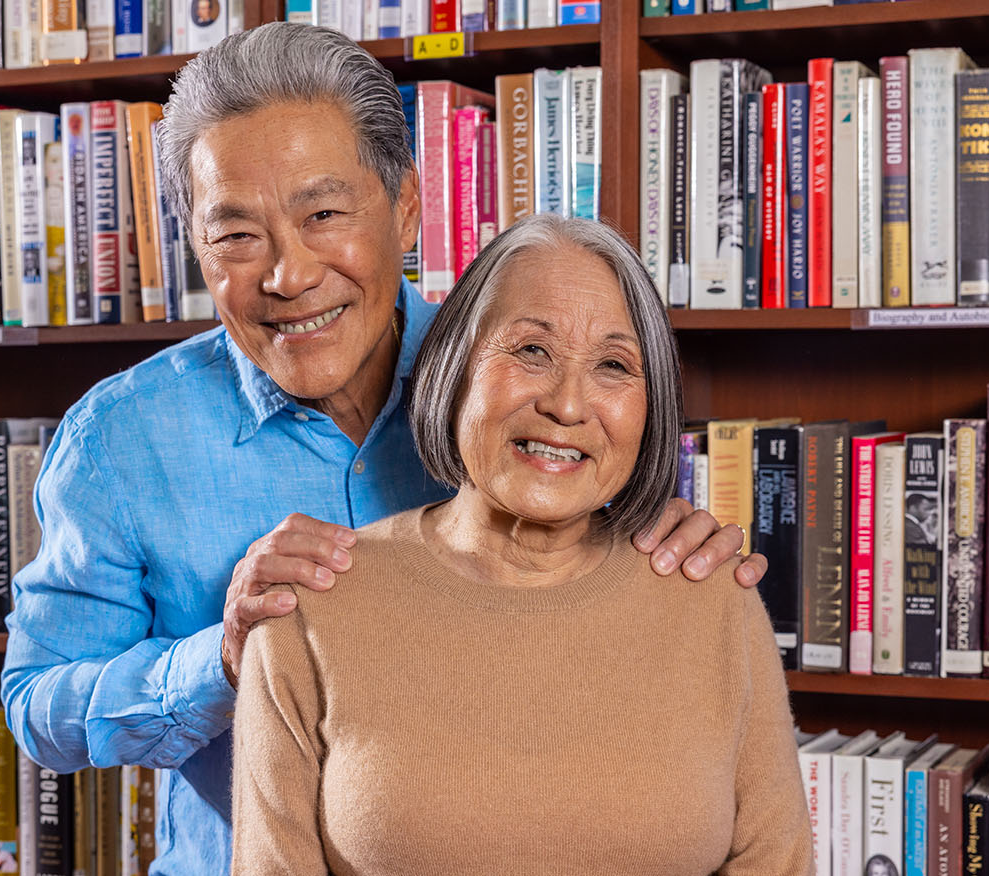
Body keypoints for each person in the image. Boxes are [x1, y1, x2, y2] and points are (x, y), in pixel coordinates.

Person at [2, 23, 765, 874]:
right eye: (237, 235)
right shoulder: (120, 440)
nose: (289, 276)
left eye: (323, 214)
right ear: (196, 247)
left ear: (405, 206)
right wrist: (218, 659)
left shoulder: (519, 387)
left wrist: (657, 548)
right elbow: (38, 708)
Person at [232, 214, 812, 875]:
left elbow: (778, 861)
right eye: (531, 351)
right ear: (457, 366)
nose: (568, 405)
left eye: (614, 366)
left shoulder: (714, 601)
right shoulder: (309, 606)